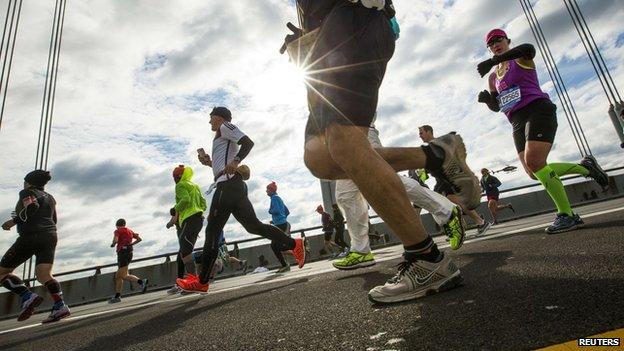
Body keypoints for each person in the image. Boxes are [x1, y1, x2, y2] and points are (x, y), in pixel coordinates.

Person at [282, 1, 476, 303]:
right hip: (327, 33)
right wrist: (306, 32)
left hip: (352, 18)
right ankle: (437, 155)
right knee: (320, 158)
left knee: (343, 143)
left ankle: (427, 259)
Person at [477, 28, 608, 233]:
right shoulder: (493, 77)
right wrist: (487, 101)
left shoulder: (520, 57)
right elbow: (497, 106)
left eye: (498, 40)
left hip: (537, 109)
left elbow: (529, 48)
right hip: (516, 121)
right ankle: (587, 168)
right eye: (491, 43)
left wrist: (494, 61)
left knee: (536, 163)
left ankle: (567, 214)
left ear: (507, 41)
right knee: (532, 172)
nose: (495, 44)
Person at [176, 107, 305, 293]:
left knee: (212, 230)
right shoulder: (221, 134)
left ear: (219, 117)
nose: (209, 121)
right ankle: (294, 244)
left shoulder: (225, 126)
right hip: (232, 185)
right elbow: (224, 164)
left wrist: (236, 161)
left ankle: (202, 281)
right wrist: (209, 163)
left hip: (227, 186)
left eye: (211, 118)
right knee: (253, 226)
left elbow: (248, 143)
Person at [333, 122, 467, 271]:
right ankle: (360, 250)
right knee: (346, 195)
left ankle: (447, 211)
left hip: (359, 130)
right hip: (343, 140)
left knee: (384, 179)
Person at [0, 170, 70, 323]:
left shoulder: (27, 191)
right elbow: (54, 219)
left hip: (31, 237)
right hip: (50, 236)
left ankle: (27, 296)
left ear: (29, 182)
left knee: (1, 272)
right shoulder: (51, 198)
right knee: (44, 275)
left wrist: (13, 221)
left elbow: (32, 207)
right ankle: (60, 306)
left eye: (24, 181)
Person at [418, 125, 492, 236]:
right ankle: (463, 227)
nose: (420, 136)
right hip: (441, 182)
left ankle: (480, 222)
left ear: (429, 131)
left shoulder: (437, 145)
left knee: (457, 203)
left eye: (421, 133)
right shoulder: (431, 147)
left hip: (448, 181)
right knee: (445, 205)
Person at [168, 164, 206, 288]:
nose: (174, 179)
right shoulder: (194, 185)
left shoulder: (180, 185)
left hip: (189, 219)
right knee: (186, 251)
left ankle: (194, 282)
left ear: (177, 177)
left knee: (184, 251)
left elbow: (185, 200)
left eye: (174, 177)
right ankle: (194, 281)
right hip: (198, 219)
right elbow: (203, 203)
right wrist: (198, 211)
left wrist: (175, 209)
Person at [108, 219, 148, 303]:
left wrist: (113, 244)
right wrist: (131, 244)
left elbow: (115, 240)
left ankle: (141, 282)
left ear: (117, 225)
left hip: (122, 254)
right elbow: (139, 239)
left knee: (123, 275)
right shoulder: (129, 231)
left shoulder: (117, 231)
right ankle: (117, 296)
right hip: (130, 253)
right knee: (118, 276)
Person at [266, 181, 293, 273]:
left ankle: (297, 246)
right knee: (276, 246)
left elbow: (276, 210)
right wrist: (275, 221)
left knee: (275, 246)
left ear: (272, 190)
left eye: (267, 190)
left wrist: (270, 211)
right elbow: (286, 211)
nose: (266, 192)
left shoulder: (274, 198)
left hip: (280, 225)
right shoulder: (279, 198)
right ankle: (285, 264)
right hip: (281, 223)